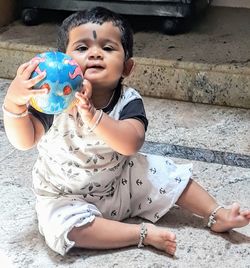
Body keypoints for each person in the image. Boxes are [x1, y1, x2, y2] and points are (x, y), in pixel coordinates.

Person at [2, 7, 250, 257]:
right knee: (63, 227)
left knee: (164, 171)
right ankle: (139, 233)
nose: (95, 54)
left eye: (108, 48)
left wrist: (95, 117)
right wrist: (14, 104)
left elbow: (131, 143)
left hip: (120, 182)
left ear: (127, 67)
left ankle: (216, 213)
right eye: (81, 48)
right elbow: (25, 140)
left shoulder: (128, 100)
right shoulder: (55, 101)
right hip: (64, 195)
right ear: (62, 59)